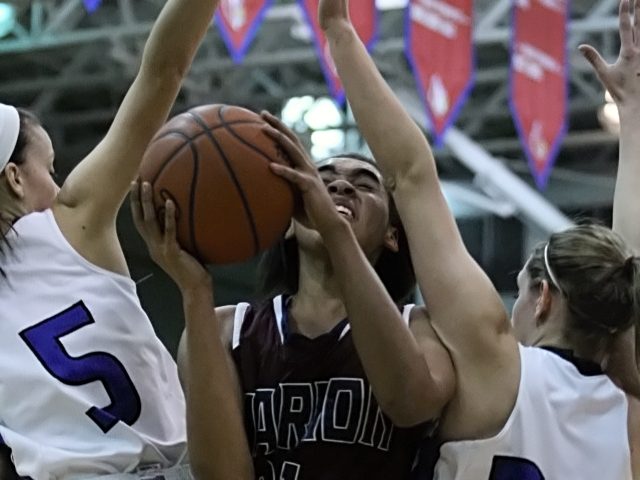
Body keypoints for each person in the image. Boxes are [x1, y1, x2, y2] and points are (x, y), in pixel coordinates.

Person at [319, 0, 640, 477]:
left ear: (542, 297)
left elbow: (412, 176)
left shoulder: (498, 369)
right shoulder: (629, 410)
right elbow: (630, 262)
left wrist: (338, 33)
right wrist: (632, 117)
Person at [0, 0, 249, 478]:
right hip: (168, 466)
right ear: (14, 178)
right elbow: (163, 72)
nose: (59, 184)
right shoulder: (69, 219)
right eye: (49, 169)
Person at [133, 124, 456, 478]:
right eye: (321, 181)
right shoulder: (225, 329)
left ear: (392, 236)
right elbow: (223, 477)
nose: (339, 187)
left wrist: (334, 228)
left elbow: (411, 404)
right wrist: (194, 290)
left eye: (364, 185)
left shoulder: (420, 325)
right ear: (288, 224)